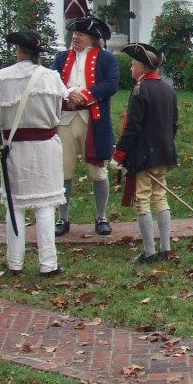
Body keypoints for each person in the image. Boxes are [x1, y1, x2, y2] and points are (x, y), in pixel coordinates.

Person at [0, 30, 68, 276]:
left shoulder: (1, 78)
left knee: (15, 207)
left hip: (14, 148)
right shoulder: (51, 78)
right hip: (45, 149)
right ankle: (48, 264)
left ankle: (15, 263)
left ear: (19, 51)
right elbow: (59, 109)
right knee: (45, 206)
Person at [52, 16, 121, 237]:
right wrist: (67, 94)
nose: (75, 37)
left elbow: (111, 84)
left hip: (94, 121)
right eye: (74, 34)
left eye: (80, 34)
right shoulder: (62, 58)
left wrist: (85, 95)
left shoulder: (106, 59)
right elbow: (53, 82)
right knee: (64, 170)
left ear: (92, 38)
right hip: (65, 119)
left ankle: (101, 216)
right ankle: (63, 218)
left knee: (98, 171)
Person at [113, 43, 178, 264]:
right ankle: (166, 248)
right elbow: (174, 125)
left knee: (142, 200)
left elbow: (133, 127)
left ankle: (149, 252)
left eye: (133, 64)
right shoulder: (168, 89)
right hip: (163, 154)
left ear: (141, 66)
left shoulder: (141, 90)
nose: (131, 68)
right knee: (160, 197)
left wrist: (119, 154)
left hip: (144, 156)